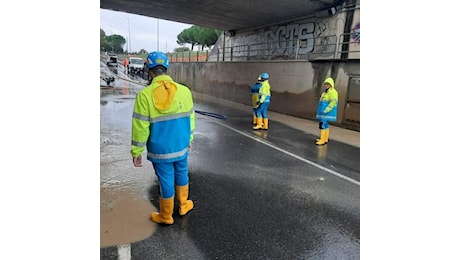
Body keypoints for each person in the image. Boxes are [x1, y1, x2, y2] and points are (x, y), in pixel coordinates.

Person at [131, 51, 195, 225]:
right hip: (181, 145)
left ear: (149, 70)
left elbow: (140, 126)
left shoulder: (145, 95)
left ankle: (166, 216)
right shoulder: (184, 91)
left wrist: (136, 151)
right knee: (182, 172)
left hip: (160, 150)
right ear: (166, 68)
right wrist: (189, 139)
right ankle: (183, 205)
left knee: (166, 178)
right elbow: (191, 119)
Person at [315, 77, 338, 145]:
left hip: (326, 112)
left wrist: (326, 110)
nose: (326, 85)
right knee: (325, 125)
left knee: (323, 125)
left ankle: (322, 140)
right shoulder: (326, 92)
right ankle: (325, 139)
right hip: (324, 112)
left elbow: (333, 102)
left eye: (328, 84)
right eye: (326, 84)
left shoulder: (332, 92)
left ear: (331, 84)